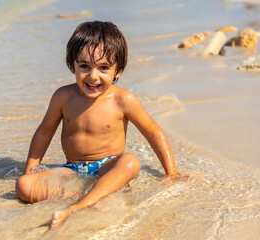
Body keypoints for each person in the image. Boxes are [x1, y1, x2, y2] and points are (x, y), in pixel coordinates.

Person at [15, 21, 182, 229]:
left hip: (107, 168)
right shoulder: (62, 97)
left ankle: (79, 205)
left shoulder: (123, 100)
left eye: (104, 68)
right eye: (84, 66)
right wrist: (31, 168)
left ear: (118, 71)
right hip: (72, 169)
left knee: (130, 161)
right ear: (71, 65)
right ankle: (80, 197)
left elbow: (153, 133)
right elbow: (44, 132)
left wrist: (171, 172)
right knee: (23, 185)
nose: (93, 76)